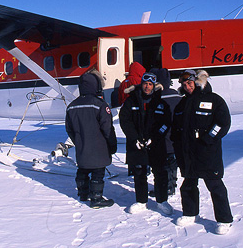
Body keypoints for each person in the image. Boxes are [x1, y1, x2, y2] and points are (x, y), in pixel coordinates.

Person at [171, 69, 233, 235]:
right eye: (184, 85)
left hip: (207, 152)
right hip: (188, 153)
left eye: (189, 83)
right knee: (189, 184)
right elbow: (176, 127)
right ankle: (191, 213)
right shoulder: (182, 104)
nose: (187, 87)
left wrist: (208, 139)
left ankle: (224, 219)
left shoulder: (214, 100)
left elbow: (223, 122)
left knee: (215, 185)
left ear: (197, 81)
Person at [119, 72, 173, 215]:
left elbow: (166, 123)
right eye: (145, 83)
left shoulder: (161, 104)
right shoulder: (131, 101)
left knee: (160, 172)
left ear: (154, 86)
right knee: (139, 173)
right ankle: (141, 201)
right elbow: (125, 121)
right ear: (141, 84)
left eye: (150, 84)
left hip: (156, 144)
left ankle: (162, 201)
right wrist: (134, 138)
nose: (147, 87)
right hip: (137, 144)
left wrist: (155, 137)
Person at [65, 69, 117, 209]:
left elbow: (69, 129)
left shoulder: (71, 107)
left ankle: (83, 194)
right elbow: (108, 129)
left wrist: (79, 141)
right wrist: (112, 145)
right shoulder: (100, 105)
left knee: (82, 170)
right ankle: (96, 198)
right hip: (99, 148)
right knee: (97, 173)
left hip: (82, 148)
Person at [150, 68, 182, 196]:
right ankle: (171, 185)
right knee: (172, 163)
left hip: (161, 137)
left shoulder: (156, 98)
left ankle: (164, 187)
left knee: (161, 164)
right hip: (175, 137)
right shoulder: (178, 97)